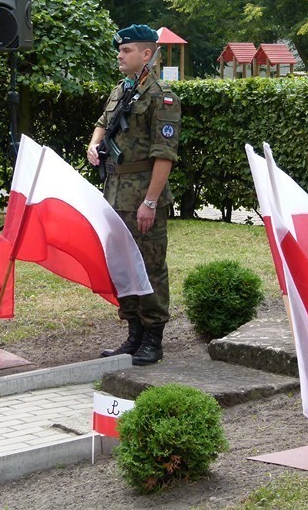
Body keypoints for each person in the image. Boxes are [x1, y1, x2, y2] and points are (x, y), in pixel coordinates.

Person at [87, 24, 181, 366]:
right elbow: (102, 122)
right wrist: (93, 144)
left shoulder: (162, 96)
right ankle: (133, 335)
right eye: (119, 50)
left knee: (150, 266)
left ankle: (153, 339)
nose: (119, 55)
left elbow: (164, 154)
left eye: (126, 50)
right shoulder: (121, 91)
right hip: (114, 195)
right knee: (123, 267)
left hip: (142, 194)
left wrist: (151, 202)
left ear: (146, 54)